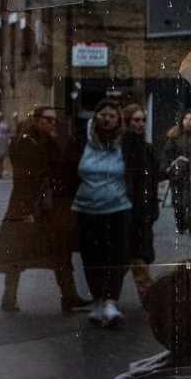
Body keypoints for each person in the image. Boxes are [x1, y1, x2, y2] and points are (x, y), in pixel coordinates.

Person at [0, 106, 91, 314]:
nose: (53, 123)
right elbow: (25, 181)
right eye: (48, 120)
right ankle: (9, 297)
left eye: (54, 120)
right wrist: (26, 210)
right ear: (36, 120)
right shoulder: (25, 144)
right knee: (19, 255)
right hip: (27, 208)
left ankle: (68, 296)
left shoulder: (45, 142)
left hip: (44, 209)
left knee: (59, 252)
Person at [68, 98, 156, 328]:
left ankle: (110, 301)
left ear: (119, 120)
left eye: (112, 116)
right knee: (91, 256)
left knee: (116, 256)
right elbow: (67, 171)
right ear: (95, 116)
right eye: (102, 114)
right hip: (86, 209)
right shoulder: (80, 140)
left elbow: (139, 178)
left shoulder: (127, 144)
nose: (106, 119)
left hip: (118, 208)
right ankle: (97, 300)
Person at [121, 103, 161, 300]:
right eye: (136, 120)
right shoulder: (122, 147)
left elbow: (153, 178)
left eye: (142, 120)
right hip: (127, 209)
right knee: (133, 257)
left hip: (143, 210)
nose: (140, 124)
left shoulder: (147, 148)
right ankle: (149, 297)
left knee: (138, 255)